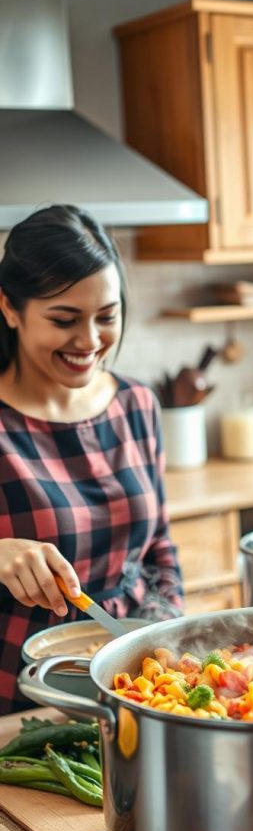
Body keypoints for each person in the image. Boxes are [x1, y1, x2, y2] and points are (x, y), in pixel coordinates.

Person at [0, 204, 183, 715]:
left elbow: (160, 547)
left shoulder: (137, 403)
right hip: (20, 698)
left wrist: (169, 640)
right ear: (9, 308)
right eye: (64, 319)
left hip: (132, 683)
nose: (89, 342)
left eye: (107, 317)